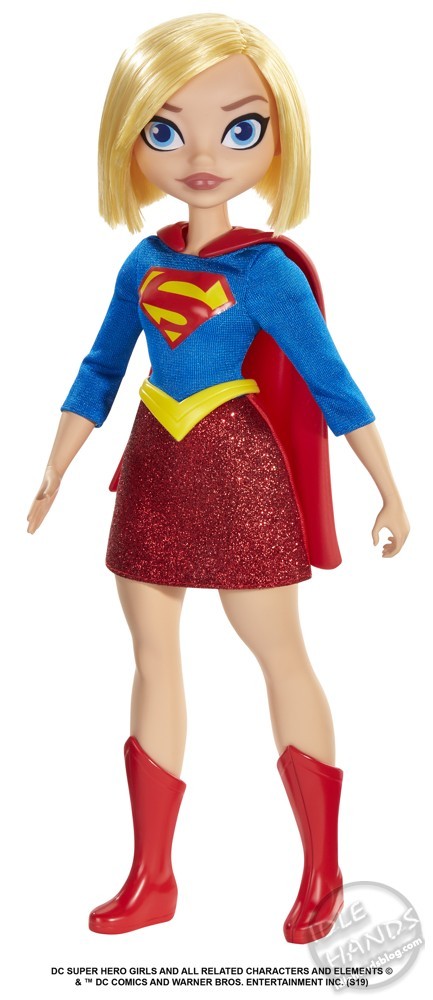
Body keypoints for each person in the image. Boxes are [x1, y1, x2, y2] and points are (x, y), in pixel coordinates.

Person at [27, 13, 410, 944]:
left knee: (278, 652)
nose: (201, 155)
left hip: (239, 470)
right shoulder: (142, 261)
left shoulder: (266, 270)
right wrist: (55, 465)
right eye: (165, 129)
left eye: (239, 128)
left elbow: (331, 383)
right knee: (152, 657)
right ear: (130, 140)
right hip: (153, 467)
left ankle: (321, 869)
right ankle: (151, 875)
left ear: (276, 138)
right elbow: (100, 369)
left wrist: (388, 488)